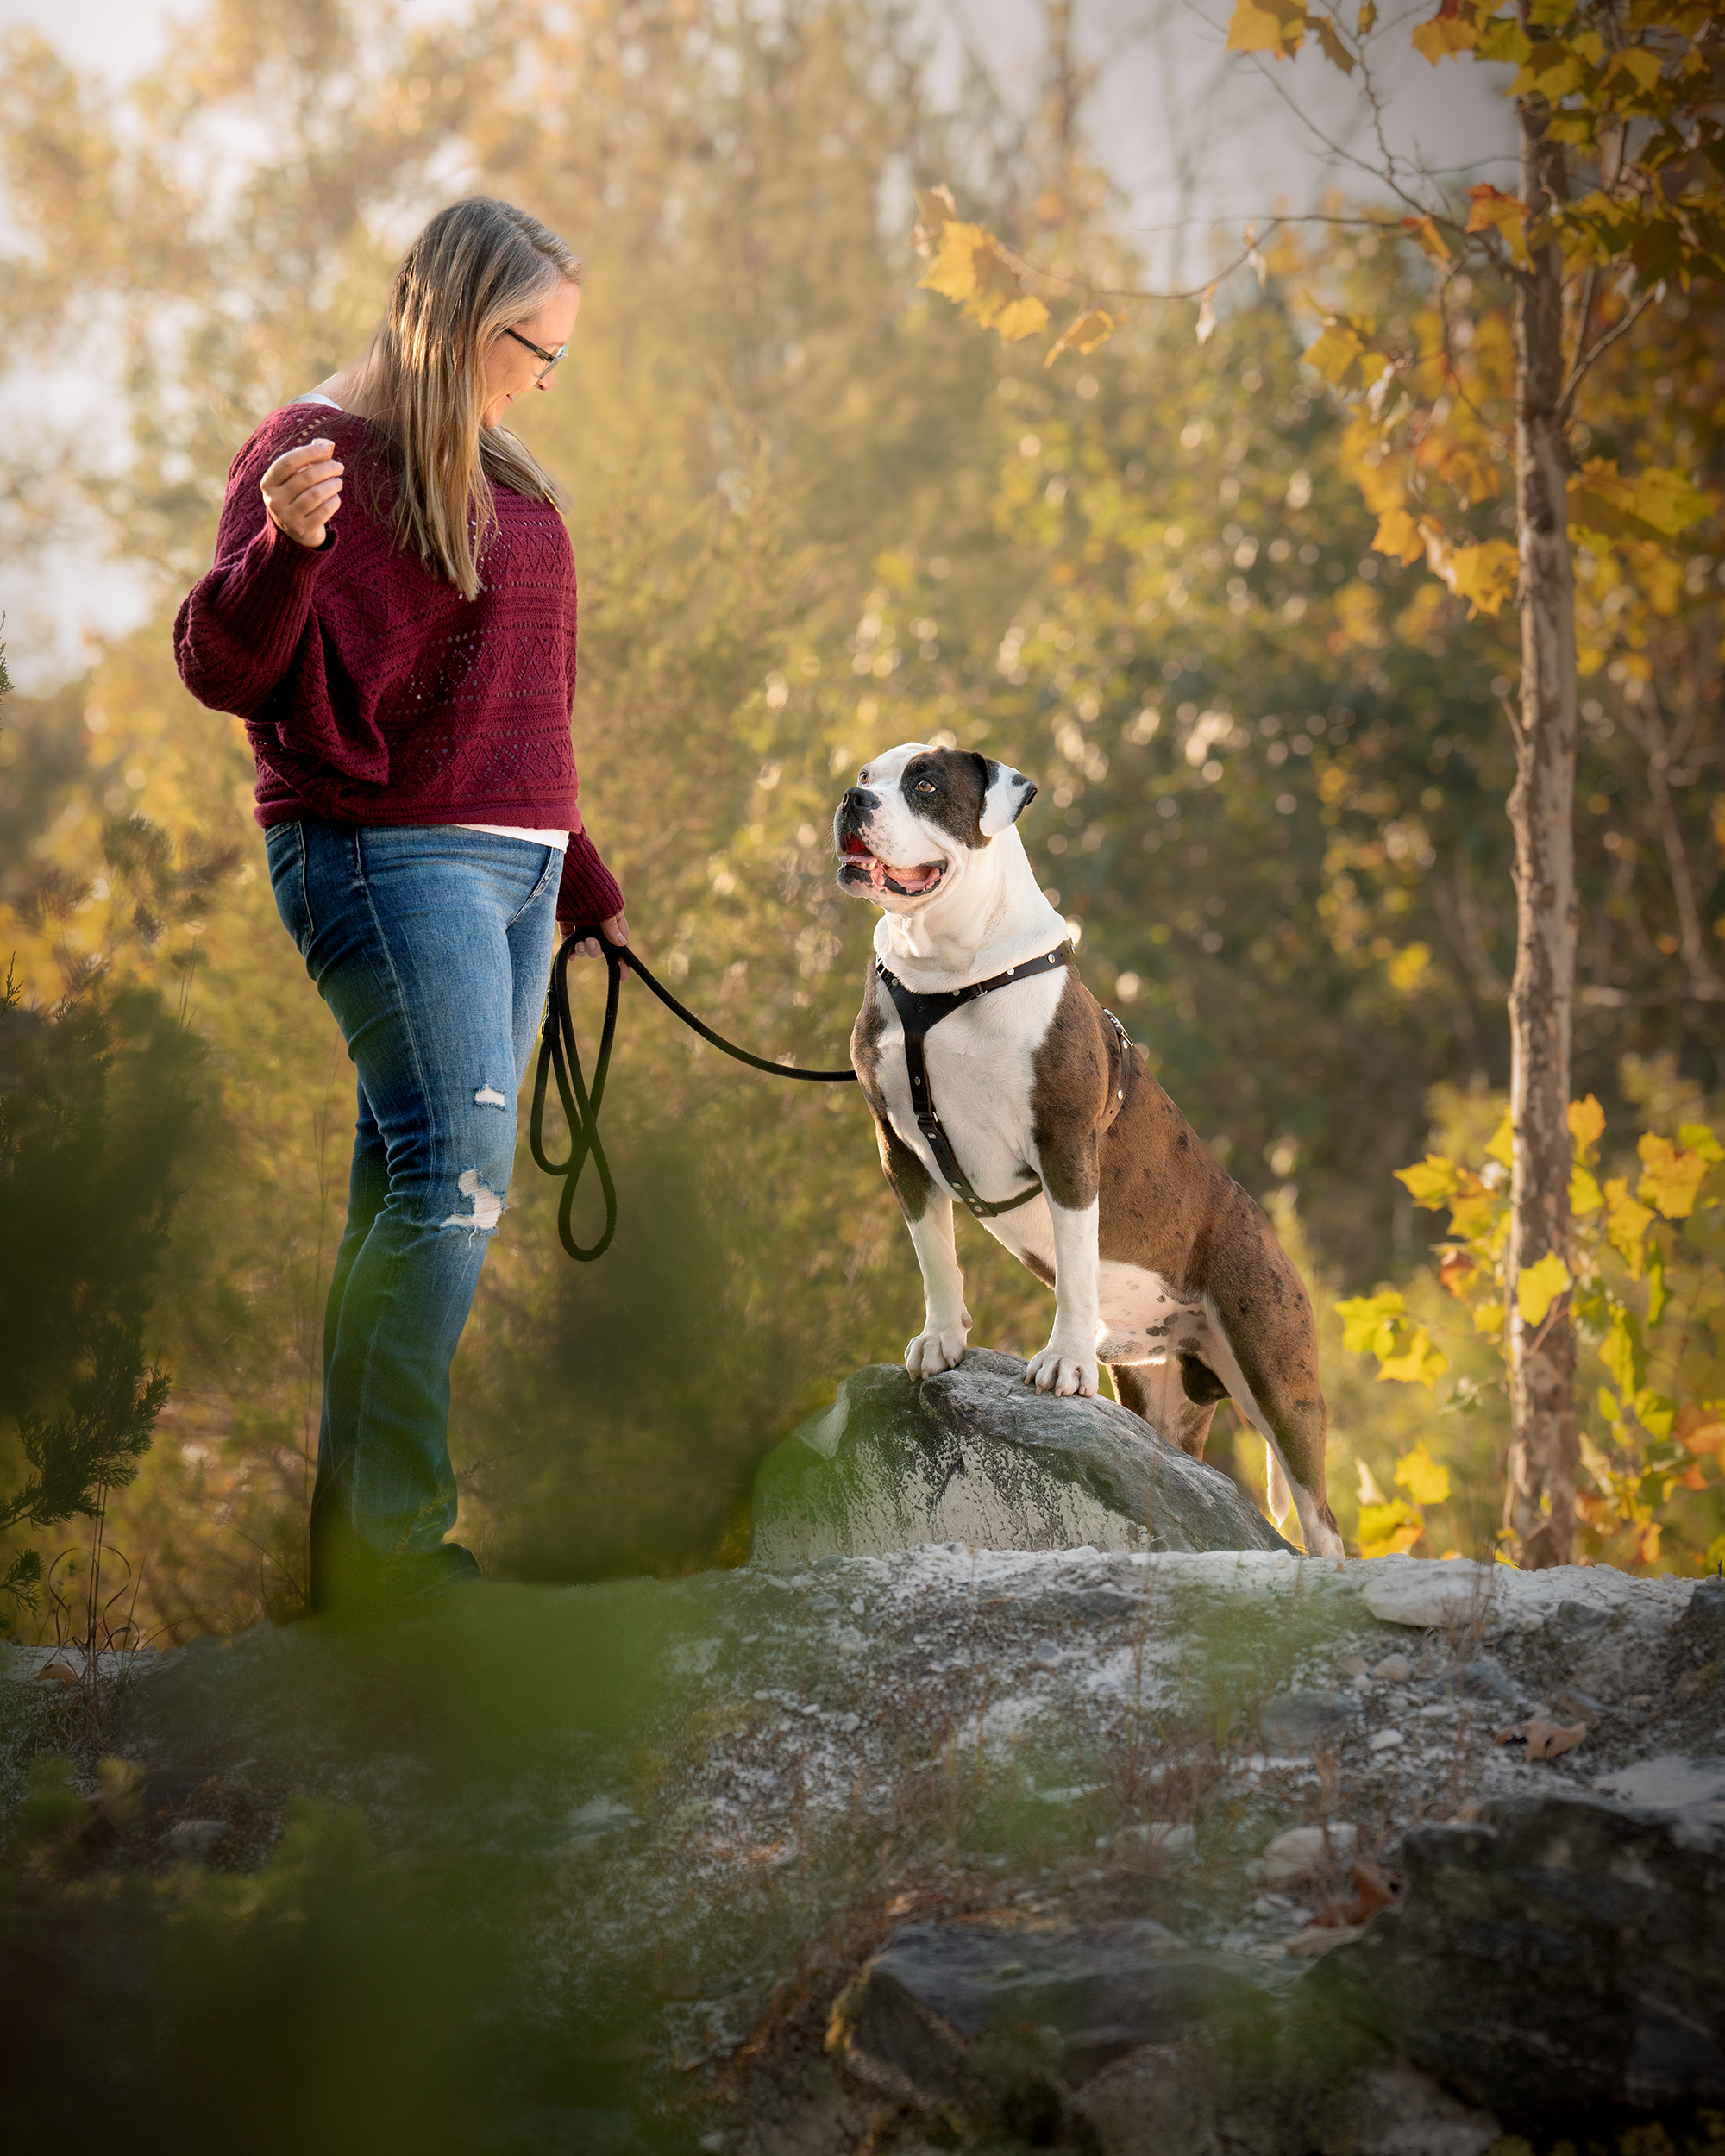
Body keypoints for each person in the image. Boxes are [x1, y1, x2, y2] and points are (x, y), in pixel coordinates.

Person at [175, 197, 626, 1613]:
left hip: (513, 862)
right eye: (535, 346)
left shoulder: (492, 459)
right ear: (461, 317)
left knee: (406, 1185)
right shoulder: (312, 454)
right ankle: (396, 1551)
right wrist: (285, 552)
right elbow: (218, 663)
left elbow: (508, 690)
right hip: (380, 852)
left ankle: (350, 1558)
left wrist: (575, 856)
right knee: (458, 1181)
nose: (547, 376)